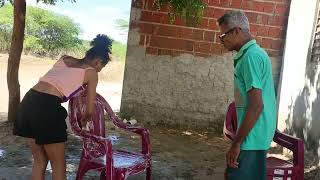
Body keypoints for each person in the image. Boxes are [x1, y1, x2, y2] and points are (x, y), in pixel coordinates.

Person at [13, 34, 112, 180]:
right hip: (47, 107)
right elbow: (89, 110)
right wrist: (84, 121)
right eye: (101, 67)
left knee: (39, 160)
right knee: (58, 164)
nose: (99, 71)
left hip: (28, 102)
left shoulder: (64, 59)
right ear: (98, 62)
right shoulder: (91, 73)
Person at [217, 11, 276, 180]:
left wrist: (237, 143)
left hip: (252, 136)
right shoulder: (249, 55)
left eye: (223, 35)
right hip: (252, 134)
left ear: (236, 31)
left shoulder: (251, 57)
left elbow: (257, 105)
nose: (221, 40)